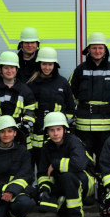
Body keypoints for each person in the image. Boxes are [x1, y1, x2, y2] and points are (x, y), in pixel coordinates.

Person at [37, 112, 94, 217]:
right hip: (62, 181)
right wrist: (45, 191)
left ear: (65, 129)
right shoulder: (47, 147)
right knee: (61, 214)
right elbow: (42, 173)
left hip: (84, 181)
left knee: (68, 177)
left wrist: (56, 164)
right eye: (51, 130)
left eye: (58, 129)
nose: (55, 133)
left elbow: (79, 165)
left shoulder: (73, 141)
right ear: (47, 131)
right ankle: (62, 205)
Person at [70, 32, 110, 159]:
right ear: (88, 49)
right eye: (94, 48)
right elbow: (70, 94)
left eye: (100, 48)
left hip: (107, 126)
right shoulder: (80, 70)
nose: (97, 51)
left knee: (104, 159)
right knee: (84, 159)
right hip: (84, 126)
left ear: (105, 50)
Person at [27, 47, 75, 177]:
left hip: (57, 134)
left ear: (55, 65)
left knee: (55, 166)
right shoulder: (32, 84)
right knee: (39, 166)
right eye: (44, 64)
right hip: (37, 133)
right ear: (39, 64)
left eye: (50, 64)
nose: (47, 67)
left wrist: (64, 125)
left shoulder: (62, 82)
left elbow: (70, 108)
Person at [0, 51, 36, 149]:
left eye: (12, 67)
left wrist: (19, 132)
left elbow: (30, 116)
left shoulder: (26, 91)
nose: (9, 71)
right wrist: (3, 132)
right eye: (6, 68)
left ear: (17, 69)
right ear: (0, 69)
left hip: (20, 139)